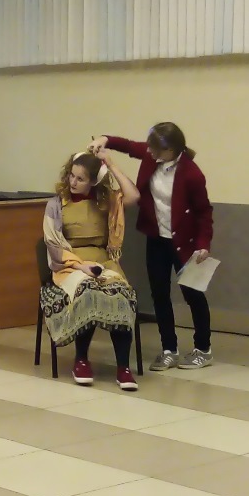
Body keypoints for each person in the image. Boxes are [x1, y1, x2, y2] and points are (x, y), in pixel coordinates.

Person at [89, 123, 214, 370]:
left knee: (193, 295)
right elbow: (128, 146)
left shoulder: (192, 174)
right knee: (159, 294)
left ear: (172, 149)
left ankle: (203, 349)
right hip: (157, 238)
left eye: (156, 149)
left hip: (185, 243)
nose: (151, 152)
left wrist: (203, 244)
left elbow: (204, 212)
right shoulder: (151, 155)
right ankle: (169, 349)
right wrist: (105, 139)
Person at [42, 150, 141, 390]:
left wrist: (111, 165)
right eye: (72, 176)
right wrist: (80, 266)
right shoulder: (56, 204)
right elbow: (53, 244)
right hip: (70, 265)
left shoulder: (105, 201)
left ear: (94, 181)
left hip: (103, 262)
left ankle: (123, 367)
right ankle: (81, 360)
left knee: (121, 294)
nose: (73, 182)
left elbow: (133, 196)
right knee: (87, 292)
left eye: (81, 179)